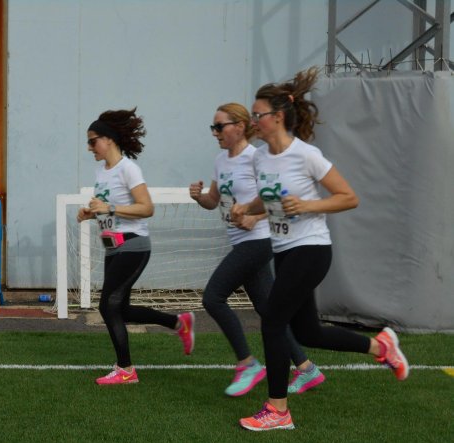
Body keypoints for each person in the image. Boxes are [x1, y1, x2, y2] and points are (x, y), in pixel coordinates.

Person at [232, 68, 409, 431]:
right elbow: (269, 201)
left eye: (258, 114)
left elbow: (349, 198)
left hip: (311, 249)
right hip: (284, 250)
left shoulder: (307, 155)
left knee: (273, 322)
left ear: (278, 117)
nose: (254, 120)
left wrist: (307, 206)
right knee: (309, 332)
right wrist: (246, 212)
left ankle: (278, 410)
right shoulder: (259, 157)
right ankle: (381, 348)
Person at [189, 103, 324, 397]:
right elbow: (214, 200)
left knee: (213, 298)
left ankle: (248, 364)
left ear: (239, 126)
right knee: (268, 310)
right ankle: (306, 369)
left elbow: (279, 198)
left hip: (259, 241)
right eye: (213, 127)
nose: (215, 133)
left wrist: (255, 216)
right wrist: (199, 197)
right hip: (240, 241)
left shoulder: (256, 159)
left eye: (219, 126)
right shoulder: (221, 161)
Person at [77, 108, 195, 385]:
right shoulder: (100, 171)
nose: (89, 147)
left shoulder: (129, 168)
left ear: (108, 140)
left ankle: (126, 369)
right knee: (122, 309)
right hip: (112, 245)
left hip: (133, 245)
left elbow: (147, 208)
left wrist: (110, 207)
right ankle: (179, 323)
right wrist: (91, 212)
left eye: (92, 141)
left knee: (108, 306)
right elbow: (106, 207)